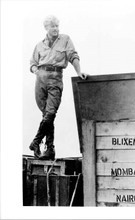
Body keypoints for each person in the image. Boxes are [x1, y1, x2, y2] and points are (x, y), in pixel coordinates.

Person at [29, 15, 87, 160]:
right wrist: (37, 72)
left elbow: (73, 56)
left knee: (50, 113)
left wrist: (79, 72)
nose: (55, 29)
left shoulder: (65, 39)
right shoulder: (39, 45)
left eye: (57, 26)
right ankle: (50, 149)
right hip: (40, 80)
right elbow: (32, 63)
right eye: (52, 26)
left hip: (55, 78)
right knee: (47, 115)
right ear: (46, 28)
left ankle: (36, 141)